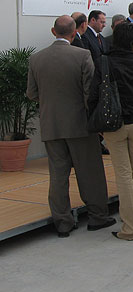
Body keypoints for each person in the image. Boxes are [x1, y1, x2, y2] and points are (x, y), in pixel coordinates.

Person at [26, 15, 115, 238]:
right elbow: (89, 93)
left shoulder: (36, 59)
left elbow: (32, 94)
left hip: (51, 126)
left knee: (58, 175)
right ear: (75, 33)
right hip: (80, 125)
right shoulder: (82, 55)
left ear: (53, 31)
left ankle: (63, 222)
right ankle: (98, 216)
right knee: (90, 173)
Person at [88, 22, 133, 240]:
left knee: (124, 174)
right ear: (132, 41)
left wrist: (97, 123)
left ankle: (130, 227)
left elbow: (93, 96)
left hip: (113, 124)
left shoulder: (104, 62)